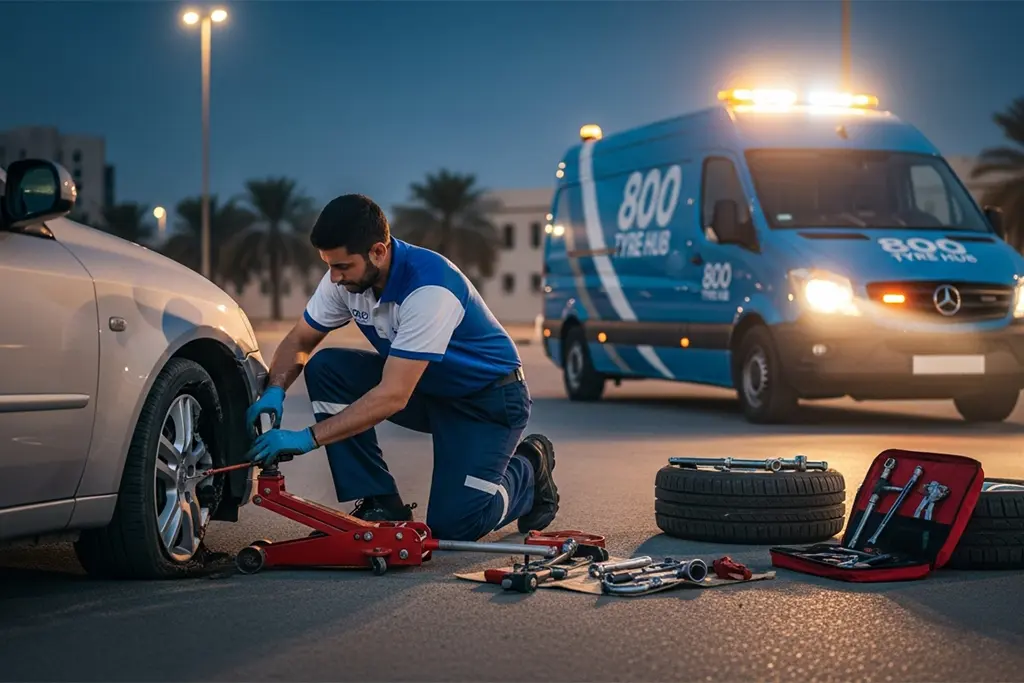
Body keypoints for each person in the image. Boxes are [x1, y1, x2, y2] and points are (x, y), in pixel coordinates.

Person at [243, 193, 559, 541]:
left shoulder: (430, 288)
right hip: (428, 390)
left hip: (487, 403)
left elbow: (393, 396)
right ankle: (381, 501)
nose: (333, 278)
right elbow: (300, 340)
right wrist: (275, 390)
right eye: (328, 266)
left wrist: (307, 439)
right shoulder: (346, 280)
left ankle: (530, 466)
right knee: (328, 367)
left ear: (378, 251)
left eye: (342, 267)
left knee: (456, 526)